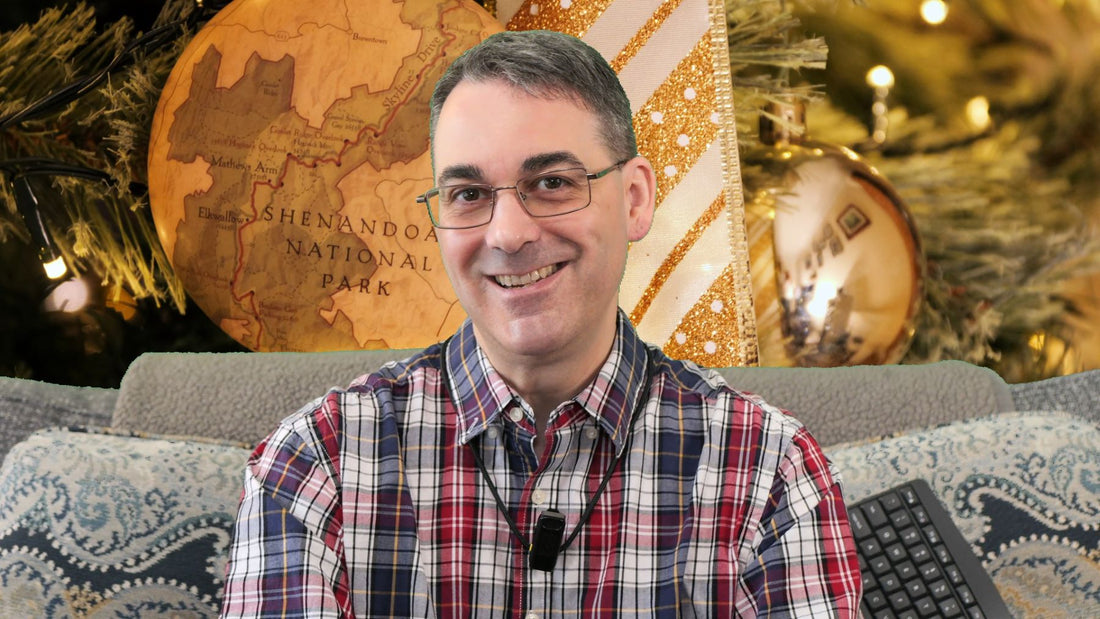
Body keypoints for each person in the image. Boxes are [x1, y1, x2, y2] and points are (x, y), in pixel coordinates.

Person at [221, 29, 861, 617]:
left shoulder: (767, 470)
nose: (507, 234)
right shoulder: (317, 465)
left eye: (551, 182)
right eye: (469, 195)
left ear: (634, 199)